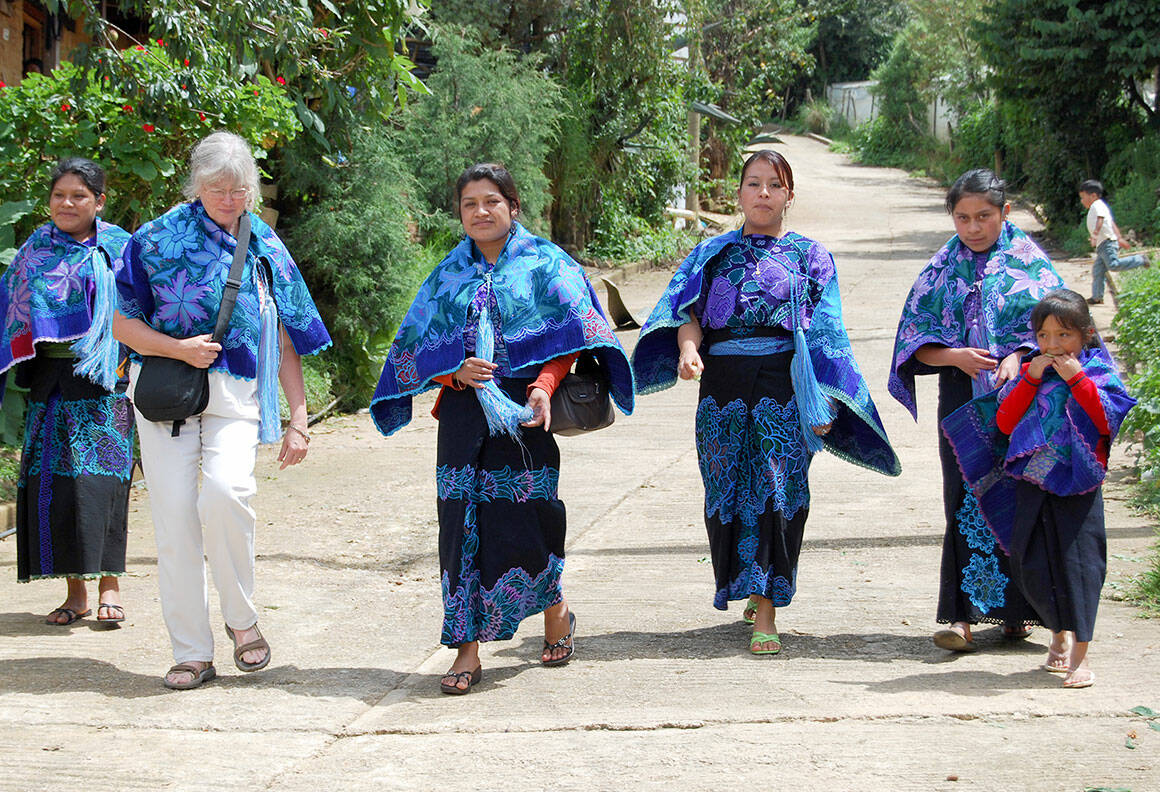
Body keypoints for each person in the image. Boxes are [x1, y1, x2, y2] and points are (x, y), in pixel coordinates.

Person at [371, 163, 635, 694]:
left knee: (527, 523)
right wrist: (453, 370)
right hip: (465, 415)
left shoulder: (546, 264)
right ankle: (466, 650)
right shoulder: (448, 275)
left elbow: (579, 336)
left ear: (513, 206)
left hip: (527, 411)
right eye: (469, 204)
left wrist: (544, 384)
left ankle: (555, 608)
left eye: (491, 201)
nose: (480, 212)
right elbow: (415, 346)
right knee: (459, 527)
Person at [632, 150, 900, 655]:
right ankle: (750, 582)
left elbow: (827, 334)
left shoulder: (810, 256)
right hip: (721, 388)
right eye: (752, 184)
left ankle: (768, 607)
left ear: (789, 196)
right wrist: (688, 349)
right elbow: (682, 311)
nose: (762, 193)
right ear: (738, 193)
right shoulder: (710, 252)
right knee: (727, 487)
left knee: (778, 488)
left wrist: (825, 401)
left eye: (773, 185)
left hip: (785, 385)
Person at [113, 131, 332, 690]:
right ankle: (191, 651)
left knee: (227, 493)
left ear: (252, 190)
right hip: (165, 393)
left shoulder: (264, 245)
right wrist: (177, 347)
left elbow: (286, 337)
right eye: (216, 189)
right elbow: (119, 322)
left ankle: (242, 618)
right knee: (175, 523)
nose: (228, 200)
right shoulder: (154, 241)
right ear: (195, 186)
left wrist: (299, 418)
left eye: (238, 190)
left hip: (237, 395)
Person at [890, 168, 1062, 652]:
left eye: (984, 216)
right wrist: (956, 357)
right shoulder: (940, 270)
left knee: (1021, 498)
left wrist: (1021, 355)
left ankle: (1018, 615)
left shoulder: (1034, 269)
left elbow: (1064, 332)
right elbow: (913, 343)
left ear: (1005, 213)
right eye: (962, 218)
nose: (973, 227)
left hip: (1024, 401)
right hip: (963, 399)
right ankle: (961, 618)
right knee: (964, 500)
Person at [942, 289, 1135, 687]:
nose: (1052, 345)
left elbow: (1104, 419)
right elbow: (1006, 422)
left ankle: (1079, 658)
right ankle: (1057, 632)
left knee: (1078, 568)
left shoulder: (1097, 371)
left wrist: (1076, 379)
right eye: (1044, 336)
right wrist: (1029, 379)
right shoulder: (1032, 370)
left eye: (1063, 336)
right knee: (1030, 563)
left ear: (1085, 335)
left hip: (1079, 484)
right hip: (1031, 480)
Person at [0, 158, 134, 627]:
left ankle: (110, 586)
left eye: (79, 196)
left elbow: (142, 307)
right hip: (51, 385)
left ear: (99, 202)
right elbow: (11, 308)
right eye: (59, 195)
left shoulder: (121, 249)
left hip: (106, 382)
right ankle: (76, 594)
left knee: (104, 487)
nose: (67, 203)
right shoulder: (34, 251)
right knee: (57, 487)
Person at [1078, 179, 1151, 305]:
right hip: (1103, 244)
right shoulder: (1098, 207)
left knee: (1113, 265)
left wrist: (1095, 235)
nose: (1082, 201)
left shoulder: (1097, 205)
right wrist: (1119, 238)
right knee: (1098, 270)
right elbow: (1111, 223)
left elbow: (1101, 220)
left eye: (1083, 197)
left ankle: (1140, 259)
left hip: (1106, 243)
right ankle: (1097, 297)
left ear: (1093, 195)